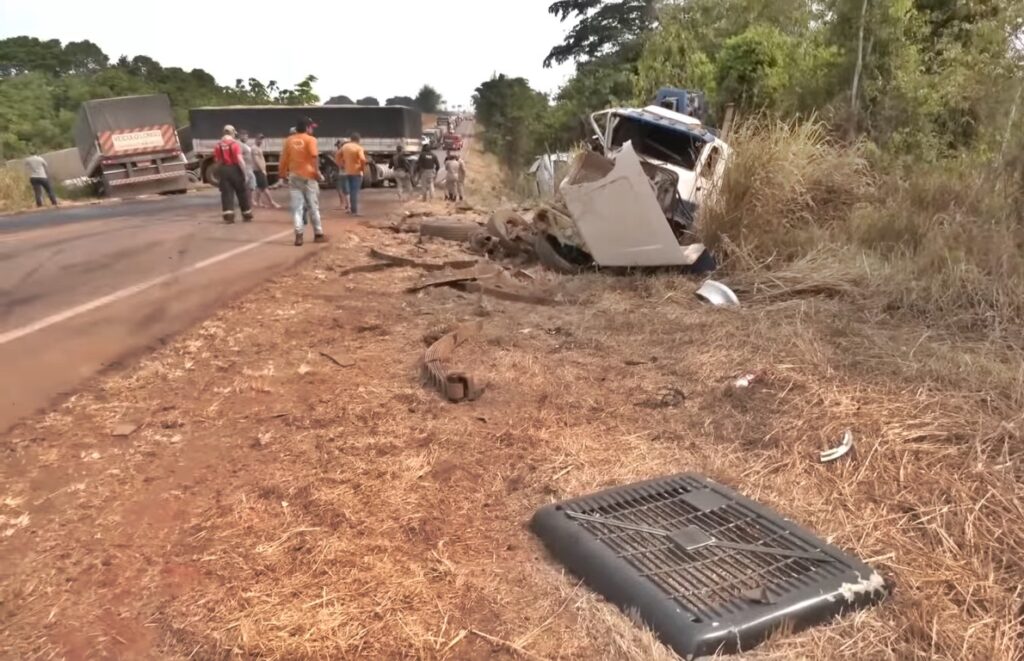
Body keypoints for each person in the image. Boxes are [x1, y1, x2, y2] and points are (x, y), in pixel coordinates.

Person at [278, 118, 325, 246]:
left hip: (294, 177)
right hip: (309, 177)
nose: (312, 129)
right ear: (307, 128)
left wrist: (282, 173)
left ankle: (299, 236)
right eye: (311, 127)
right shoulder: (311, 140)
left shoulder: (289, 140)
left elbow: (284, 159)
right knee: (313, 206)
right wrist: (317, 173)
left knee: (297, 207)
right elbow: (314, 157)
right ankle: (318, 233)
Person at [212, 125, 253, 223]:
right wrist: (245, 174)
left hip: (224, 170)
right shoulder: (235, 144)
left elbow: (217, 161)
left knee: (226, 194)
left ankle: (229, 217)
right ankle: (246, 214)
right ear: (233, 133)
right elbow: (240, 160)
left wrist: (219, 172)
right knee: (242, 192)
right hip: (235, 169)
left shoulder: (218, 145)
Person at [339, 132, 368, 215]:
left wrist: (340, 164)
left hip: (346, 171)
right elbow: (362, 159)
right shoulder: (358, 148)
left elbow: (337, 156)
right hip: (356, 172)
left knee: (349, 191)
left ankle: (351, 209)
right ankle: (354, 211)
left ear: (350, 139)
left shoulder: (344, 147)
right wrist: (362, 169)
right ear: (358, 140)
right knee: (354, 192)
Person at [251, 134, 280, 208]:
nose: (260, 141)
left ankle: (257, 202)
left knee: (259, 187)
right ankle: (271, 202)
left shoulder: (258, 148)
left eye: (261, 139)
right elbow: (257, 160)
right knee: (265, 187)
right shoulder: (254, 148)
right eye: (259, 139)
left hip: (259, 170)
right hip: (259, 170)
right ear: (255, 139)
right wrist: (262, 170)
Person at [238, 130, 257, 210]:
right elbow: (239, 156)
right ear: (240, 136)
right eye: (244, 136)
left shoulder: (245, 145)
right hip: (245, 168)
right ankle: (248, 201)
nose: (246, 137)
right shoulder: (239, 145)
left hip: (250, 168)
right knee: (248, 186)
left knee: (251, 185)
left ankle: (250, 200)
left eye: (247, 136)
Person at [333, 139, 350, 211]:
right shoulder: (349, 151)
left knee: (343, 190)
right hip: (349, 172)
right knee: (346, 190)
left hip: (343, 173)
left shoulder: (342, 152)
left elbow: (341, 164)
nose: (337, 146)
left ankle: (345, 205)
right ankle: (347, 205)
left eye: (338, 145)